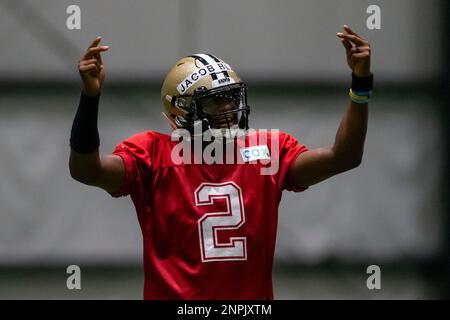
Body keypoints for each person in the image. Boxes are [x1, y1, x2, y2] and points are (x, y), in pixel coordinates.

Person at [69, 25, 372, 299]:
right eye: (215, 101)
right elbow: (86, 170)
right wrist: (89, 97)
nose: (228, 109)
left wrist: (360, 85)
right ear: (180, 111)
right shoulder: (151, 154)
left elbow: (344, 157)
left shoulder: (267, 149)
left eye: (230, 98)